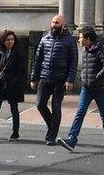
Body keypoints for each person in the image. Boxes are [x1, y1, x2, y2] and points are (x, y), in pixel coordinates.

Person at [58, 26, 104, 151]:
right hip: (86, 88)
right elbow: (87, 67)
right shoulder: (86, 50)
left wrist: (96, 78)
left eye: (80, 38)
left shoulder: (99, 50)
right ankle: (71, 140)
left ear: (88, 38)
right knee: (80, 113)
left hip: (100, 88)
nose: (78, 40)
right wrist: (82, 76)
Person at [28, 14, 78, 146]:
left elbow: (73, 61)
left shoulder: (69, 40)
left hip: (60, 79)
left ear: (63, 25)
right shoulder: (45, 39)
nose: (54, 25)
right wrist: (34, 78)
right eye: (53, 22)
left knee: (56, 107)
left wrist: (70, 80)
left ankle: (51, 136)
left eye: (57, 23)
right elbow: (37, 59)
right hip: (45, 77)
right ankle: (52, 126)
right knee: (40, 104)